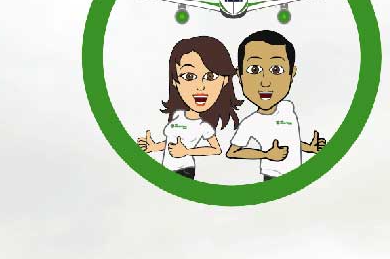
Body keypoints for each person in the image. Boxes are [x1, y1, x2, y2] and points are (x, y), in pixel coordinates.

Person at [226, 29, 326, 182]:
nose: (265, 82)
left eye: (276, 69)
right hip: (273, 177)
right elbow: (232, 152)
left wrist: (309, 148)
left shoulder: (287, 107)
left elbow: (289, 140)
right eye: (254, 69)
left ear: (292, 73)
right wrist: (266, 154)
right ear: (239, 76)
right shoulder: (251, 122)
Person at [134, 35, 238, 180]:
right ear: (175, 81)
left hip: (184, 170)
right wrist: (154, 147)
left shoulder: (204, 126)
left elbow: (216, 149)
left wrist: (187, 151)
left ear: (225, 80)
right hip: (166, 168)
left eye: (210, 76)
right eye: (189, 76)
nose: (200, 86)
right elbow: (172, 141)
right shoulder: (178, 115)